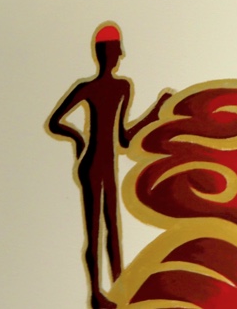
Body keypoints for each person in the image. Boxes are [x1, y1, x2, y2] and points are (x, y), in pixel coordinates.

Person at [47, 22, 169, 309]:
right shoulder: (88, 88)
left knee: (112, 230)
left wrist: (154, 111)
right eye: (117, 50)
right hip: (91, 165)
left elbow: (124, 139)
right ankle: (95, 294)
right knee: (95, 232)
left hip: (107, 164)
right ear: (106, 53)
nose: (120, 55)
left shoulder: (121, 87)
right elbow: (55, 122)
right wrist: (78, 139)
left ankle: (118, 289)